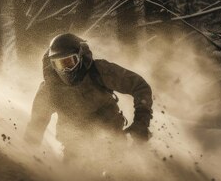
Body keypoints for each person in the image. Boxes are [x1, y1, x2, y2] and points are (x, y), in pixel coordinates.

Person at [24, 33, 153, 161]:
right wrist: (29, 159)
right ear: (52, 65)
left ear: (79, 57)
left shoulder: (99, 71)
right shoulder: (49, 90)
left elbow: (140, 86)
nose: (66, 69)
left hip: (112, 140)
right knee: (72, 179)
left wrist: (141, 121)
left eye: (70, 62)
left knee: (126, 175)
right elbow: (37, 123)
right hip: (74, 149)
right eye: (59, 64)